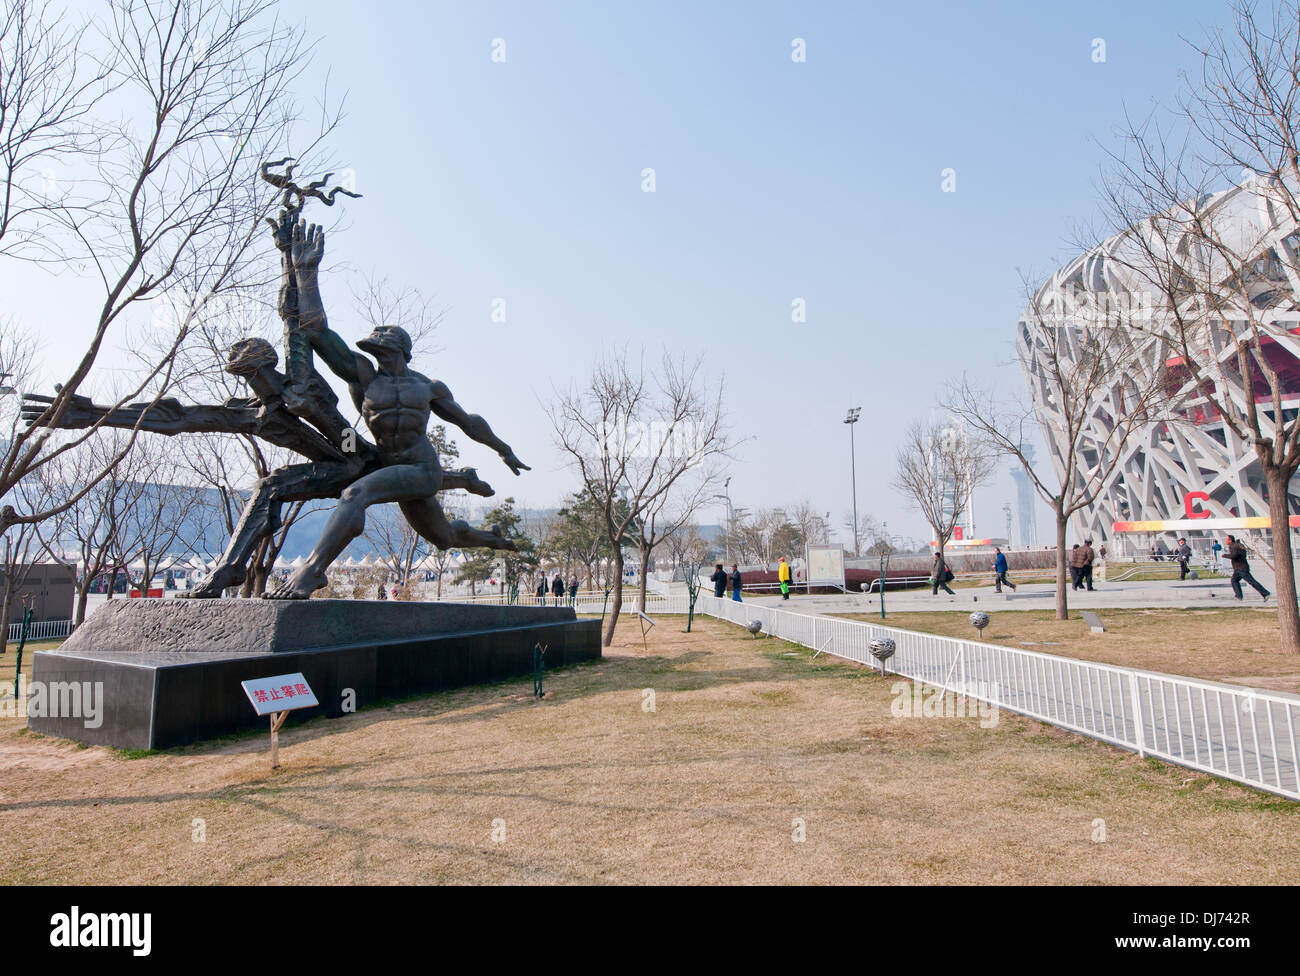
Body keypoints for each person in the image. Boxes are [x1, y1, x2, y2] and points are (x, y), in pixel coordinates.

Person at [1225, 534, 1270, 601]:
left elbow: (1234, 556)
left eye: (1226, 539)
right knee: (1234, 580)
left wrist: (1225, 555)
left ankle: (1266, 593)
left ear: (1230, 540)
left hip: (1241, 569)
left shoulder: (1234, 546)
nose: (1225, 541)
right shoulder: (1237, 545)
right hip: (1238, 568)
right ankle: (1238, 596)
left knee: (1252, 582)